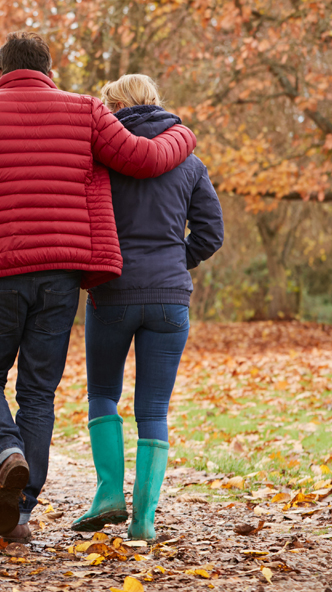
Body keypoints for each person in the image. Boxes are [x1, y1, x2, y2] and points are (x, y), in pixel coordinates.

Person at [0, 32, 198, 543]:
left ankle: (7, 454)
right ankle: (19, 512)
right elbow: (146, 159)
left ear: (0, 71)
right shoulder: (85, 111)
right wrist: (186, 135)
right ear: (48, 69)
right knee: (38, 391)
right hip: (62, 273)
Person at [71, 74, 224, 541]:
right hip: (170, 299)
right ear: (156, 101)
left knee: (103, 393)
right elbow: (211, 235)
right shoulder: (190, 163)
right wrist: (175, 262)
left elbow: (83, 223)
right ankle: (144, 520)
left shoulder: (102, 161)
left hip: (113, 293)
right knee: (153, 408)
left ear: (114, 105)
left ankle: (109, 493)